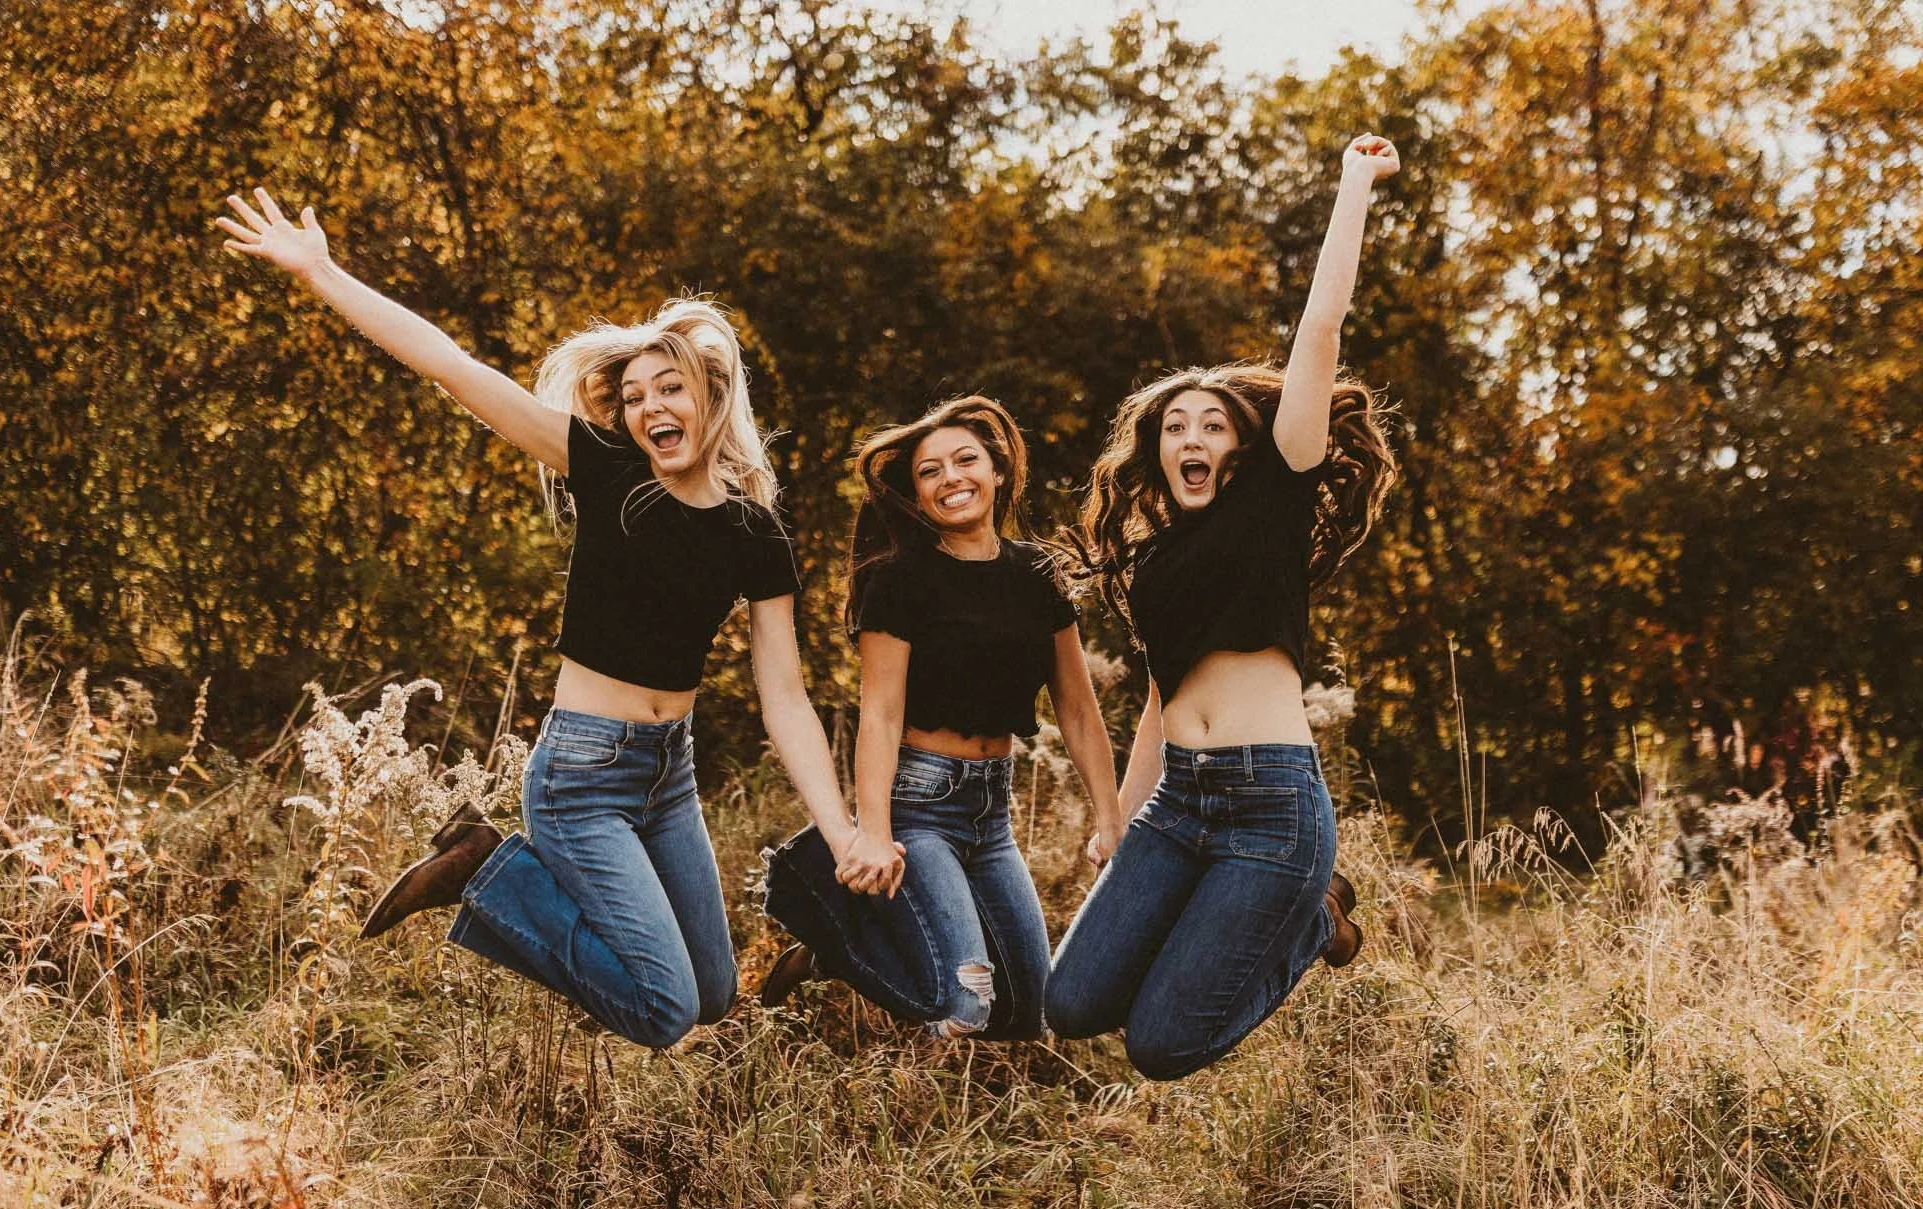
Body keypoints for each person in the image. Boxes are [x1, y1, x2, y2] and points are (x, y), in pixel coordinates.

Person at [215, 188, 899, 1048]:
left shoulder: (754, 531)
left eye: (670, 390)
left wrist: (841, 832)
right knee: (665, 1010)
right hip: (580, 776)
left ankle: (492, 871)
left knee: (716, 995)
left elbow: (787, 697)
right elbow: (453, 367)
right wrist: (323, 274)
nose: (651, 409)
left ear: (712, 396)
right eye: (635, 395)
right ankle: (485, 871)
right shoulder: (608, 470)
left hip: (668, 777)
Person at [1045, 134, 1401, 1080]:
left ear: (1245, 447)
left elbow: (1319, 331)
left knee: (1162, 1047)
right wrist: (1119, 819)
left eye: (1213, 424)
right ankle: (1252, 913)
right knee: (1069, 1003)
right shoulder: (1154, 558)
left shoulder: (1275, 499)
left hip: (1271, 802)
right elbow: (1163, 697)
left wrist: (1354, 185)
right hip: (1177, 802)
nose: (1192, 436)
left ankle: (1311, 920)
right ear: (1157, 450)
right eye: (1175, 427)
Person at [760, 397, 1121, 1040]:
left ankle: (839, 954)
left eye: (965, 460)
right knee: (968, 1003)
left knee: (1028, 1017)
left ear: (999, 471)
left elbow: (1077, 707)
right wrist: (872, 832)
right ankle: (834, 941)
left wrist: (1110, 816)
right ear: (916, 494)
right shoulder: (898, 580)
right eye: (930, 472)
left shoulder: (1038, 572)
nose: (951, 478)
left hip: (993, 809)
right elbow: (880, 713)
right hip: (920, 803)